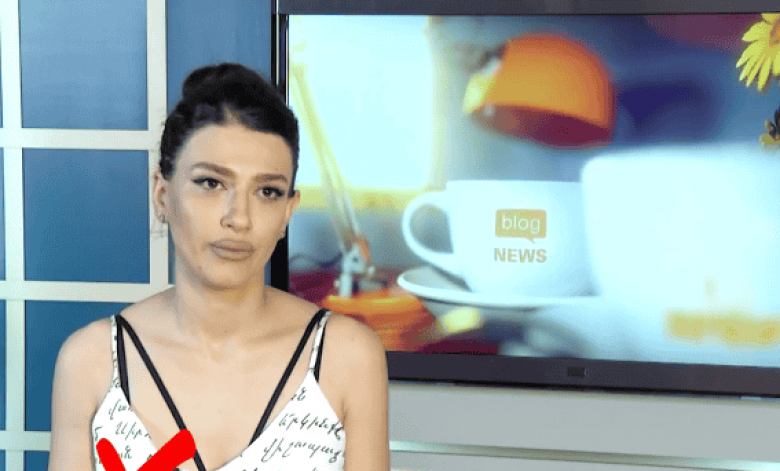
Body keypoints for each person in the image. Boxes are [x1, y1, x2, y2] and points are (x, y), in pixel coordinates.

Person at [48, 63, 390, 471]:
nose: (238, 218)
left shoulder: (347, 356)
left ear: (288, 211)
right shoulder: (89, 362)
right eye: (211, 183)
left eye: (267, 191)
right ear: (161, 195)